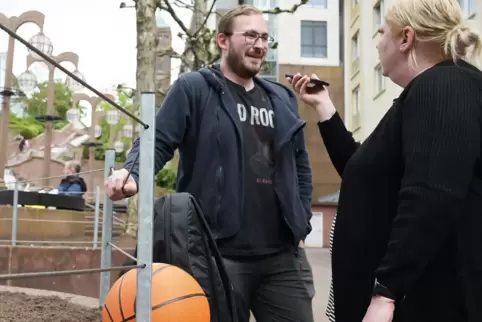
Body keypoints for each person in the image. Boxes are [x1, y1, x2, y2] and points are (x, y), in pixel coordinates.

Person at [104, 4, 315, 322]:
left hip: (281, 258)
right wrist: (132, 172)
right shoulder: (194, 88)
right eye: (250, 35)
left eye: (264, 37)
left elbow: (300, 164)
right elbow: (158, 140)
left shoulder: (281, 98)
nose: (259, 44)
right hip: (217, 256)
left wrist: (302, 221)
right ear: (223, 40)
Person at [288, 0, 482, 321]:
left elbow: (431, 193)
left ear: (405, 39)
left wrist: (387, 292)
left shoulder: (445, 86)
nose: (378, 41)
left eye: (382, 32)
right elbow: (365, 176)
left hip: (424, 303)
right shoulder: (427, 93)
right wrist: (323, 105)